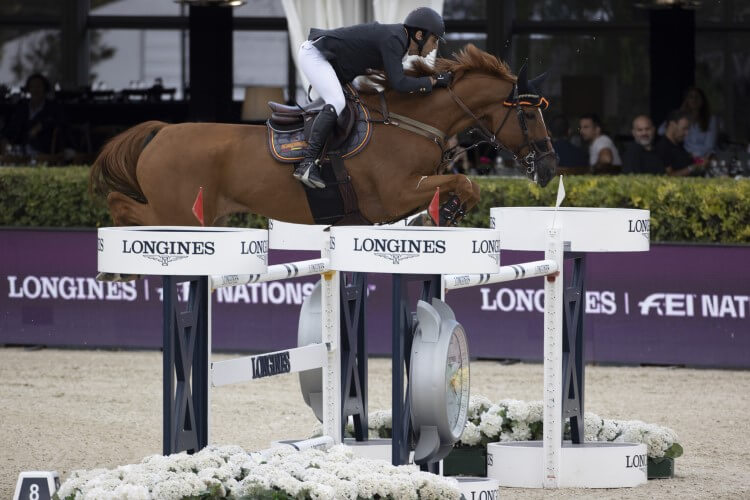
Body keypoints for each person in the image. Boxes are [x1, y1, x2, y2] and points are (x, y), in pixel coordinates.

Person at [294, 7, 452, 188]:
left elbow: (398, 82)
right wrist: (432, 81)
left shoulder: (398, 40)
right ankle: (306, 163)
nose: (434, 47)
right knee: (336, 102)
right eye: (434, 40)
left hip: (329, 63)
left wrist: (431, 82)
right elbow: (399, 84)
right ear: (418, 35)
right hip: (315, 55)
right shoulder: (395, 39)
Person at [1, 73, 62, 155]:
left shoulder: (52, 107)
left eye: (39, 86)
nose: (35, 90)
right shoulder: (22, 106)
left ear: (45, 89)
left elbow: (58, 121)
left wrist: (41, 126)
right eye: (32, 86)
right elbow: (12, 127)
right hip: (19, 148)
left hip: (42, 148)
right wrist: (5, 139)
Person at [659, 86, 718, 160]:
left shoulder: (711, 119)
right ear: (686, 100)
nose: (694, 99)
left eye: (697, 97)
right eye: (691, 97)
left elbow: (709, 146)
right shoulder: (683, 118)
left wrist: (693, 155)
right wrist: (679, 113)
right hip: (685, 156)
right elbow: (660, 131)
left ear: (703, 100)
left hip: (705, 157)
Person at [654, 109, 702, 177]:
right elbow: (669, 176)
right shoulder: (663, 147)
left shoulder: (678, 144)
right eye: (684, 128)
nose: (687, 133)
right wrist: (693, 168)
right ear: (672, 125)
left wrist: (699, 161)